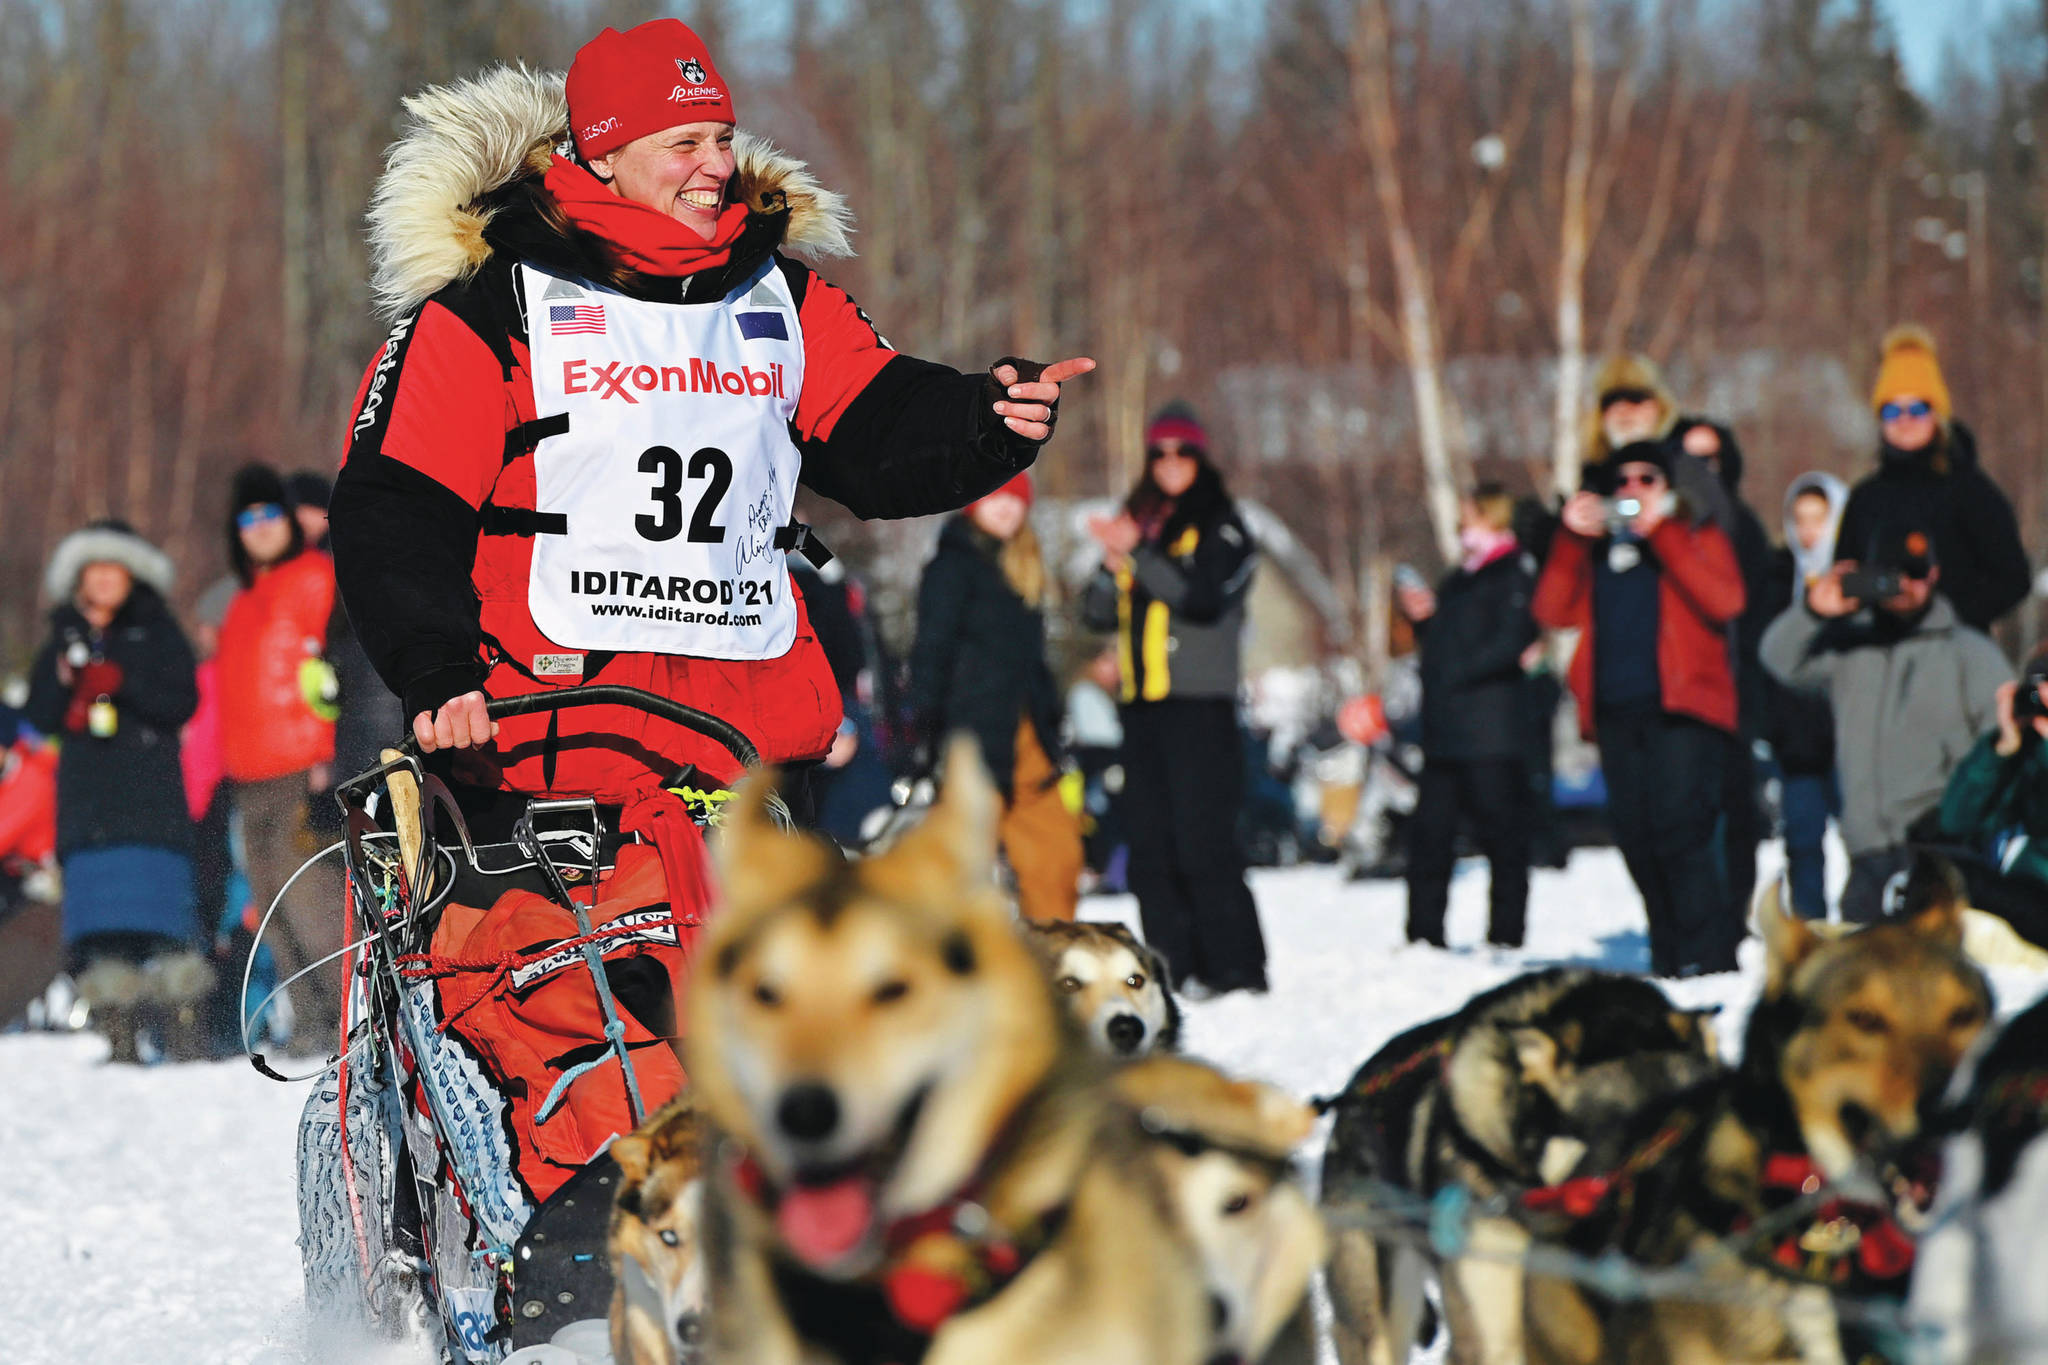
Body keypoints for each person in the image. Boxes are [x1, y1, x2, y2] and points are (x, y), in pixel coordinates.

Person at [329, 19, 1091, 835]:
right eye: (683, 141)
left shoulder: (778, 297)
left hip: (744, 747)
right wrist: (435, 668)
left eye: (724, 138)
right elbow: (397, 504)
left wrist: (988, 416)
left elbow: (879, 423)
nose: (717, 166)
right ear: (602, 155)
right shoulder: (494, 306)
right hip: (553, 746)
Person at [1533, 440, 1746, 976]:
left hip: (1683, 708)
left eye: (1646, 480)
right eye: (1621, 482)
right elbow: (1552, 610)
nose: (1631, 491)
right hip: (1615, 710)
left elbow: (1726, 600)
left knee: (1683, 831)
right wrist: (1569, 538)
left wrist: (1663, 533)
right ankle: (1669, 952)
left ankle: (1711, 955)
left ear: (1668, 487)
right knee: (1635, 835)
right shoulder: (1599, 551)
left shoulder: (1695, 535)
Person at [1080, 401, 1267, 995]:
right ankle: (1172, 966)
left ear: (1200, 455)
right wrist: (1112, 567)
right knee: (1150, 849)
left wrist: (1138, 554)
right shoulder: (1140, 520)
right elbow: (1094, 611)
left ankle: (1235, 967)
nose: (1169, 463)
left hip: (1199, 705)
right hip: (1142, 707)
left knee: (1203, 843)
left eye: (1181, 451)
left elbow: (1205, 599)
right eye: (1158, 452)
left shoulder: (1224, 524)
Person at [1761, 518, 2010, 923]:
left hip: (1943, 850)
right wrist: (1813, 611)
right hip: (1868, 853)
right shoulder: (1850, 648)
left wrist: (1964, 818)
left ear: (1934, 574)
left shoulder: (1969, 652)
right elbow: (1778, 659)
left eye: (1914, 573)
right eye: (1890, 574)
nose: (1905, 586)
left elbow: (2003, 745)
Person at [23, 520, 206, 1062]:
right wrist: (62, 679)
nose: (103, 580)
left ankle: (186, 1040)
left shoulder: (158, 630)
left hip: (151, 807)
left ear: (132, 576)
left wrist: (123, 681)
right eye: (93, 570)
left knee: (169, 929)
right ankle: (118, 1039)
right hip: (88, 808)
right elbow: (38, 717)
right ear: (78, 579)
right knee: (101, 937)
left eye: (113, 569)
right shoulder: (61, 636)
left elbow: (182, 700)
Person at [908, 471, 1082, 921]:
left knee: (1056, 854)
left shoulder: (1024, 564)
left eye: (1014, 499)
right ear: (973, 504)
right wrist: (924, 729)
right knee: (966, 867)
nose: (1005, 507)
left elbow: (1034, 661)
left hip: (1027, 734)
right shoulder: (950, 567)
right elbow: (930, 650)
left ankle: (1053, 956)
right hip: (970, 734)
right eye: (993, 497)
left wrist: (1053, 714)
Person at [215, 464, 344, 1049]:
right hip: (247, 775)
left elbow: (333, 670)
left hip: (300, 769)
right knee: (271, 910)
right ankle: (309, 1025)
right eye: (249, 518)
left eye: (270, 514)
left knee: (312, 902)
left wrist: (328, 753)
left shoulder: (316, 578)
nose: (261, 527)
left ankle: (346, 1023)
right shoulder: (241, 603)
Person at [1396, 483, 1539, 949]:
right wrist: (1423, 622)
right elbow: (1442, 644)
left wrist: (1454, 671)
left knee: (1503, 838)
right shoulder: (1459, 579)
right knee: (1429, 837)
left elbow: (1509, 640)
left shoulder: (1515, 573)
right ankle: (1423, 934)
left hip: (1492, 731)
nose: (1462, 527)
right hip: (1444, 732)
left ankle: (1505, 935)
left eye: (1470, 517)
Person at [1834, 326, 2030, 632]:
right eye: (1891, 410)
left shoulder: (1969, 490)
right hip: (1880, 657)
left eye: (1917, 407)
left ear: (1937, 414)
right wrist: (1878, 598)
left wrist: (1948, 620)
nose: (1904, 420)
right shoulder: (1865, 498)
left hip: (1955, 660)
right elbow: (1846, 576)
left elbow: (2013, 578)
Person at [1671, 417, 1774, 930]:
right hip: (1675, 694)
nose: (1700, 472)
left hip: (1734, 694)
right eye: (1688, 459)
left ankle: (1729, 915)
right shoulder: (1663, 530)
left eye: (1709, 460)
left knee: (1734, 812)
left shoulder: (1743, 528)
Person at [1761, 474, 1847, 917]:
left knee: (1863, 842)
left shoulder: (1856, 578)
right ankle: (1810, 927)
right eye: (1801, 519)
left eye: (1820, 518)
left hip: (1850, 734)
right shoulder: (1778, 576)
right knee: (1802, 840)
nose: (1810, 530)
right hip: (1796, 738)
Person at [1929, 652, 2048, 947]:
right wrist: (2002, 749)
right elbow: (1956, 820)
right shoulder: (2025, 751)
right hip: (2018, 900)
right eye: (2038, 688)